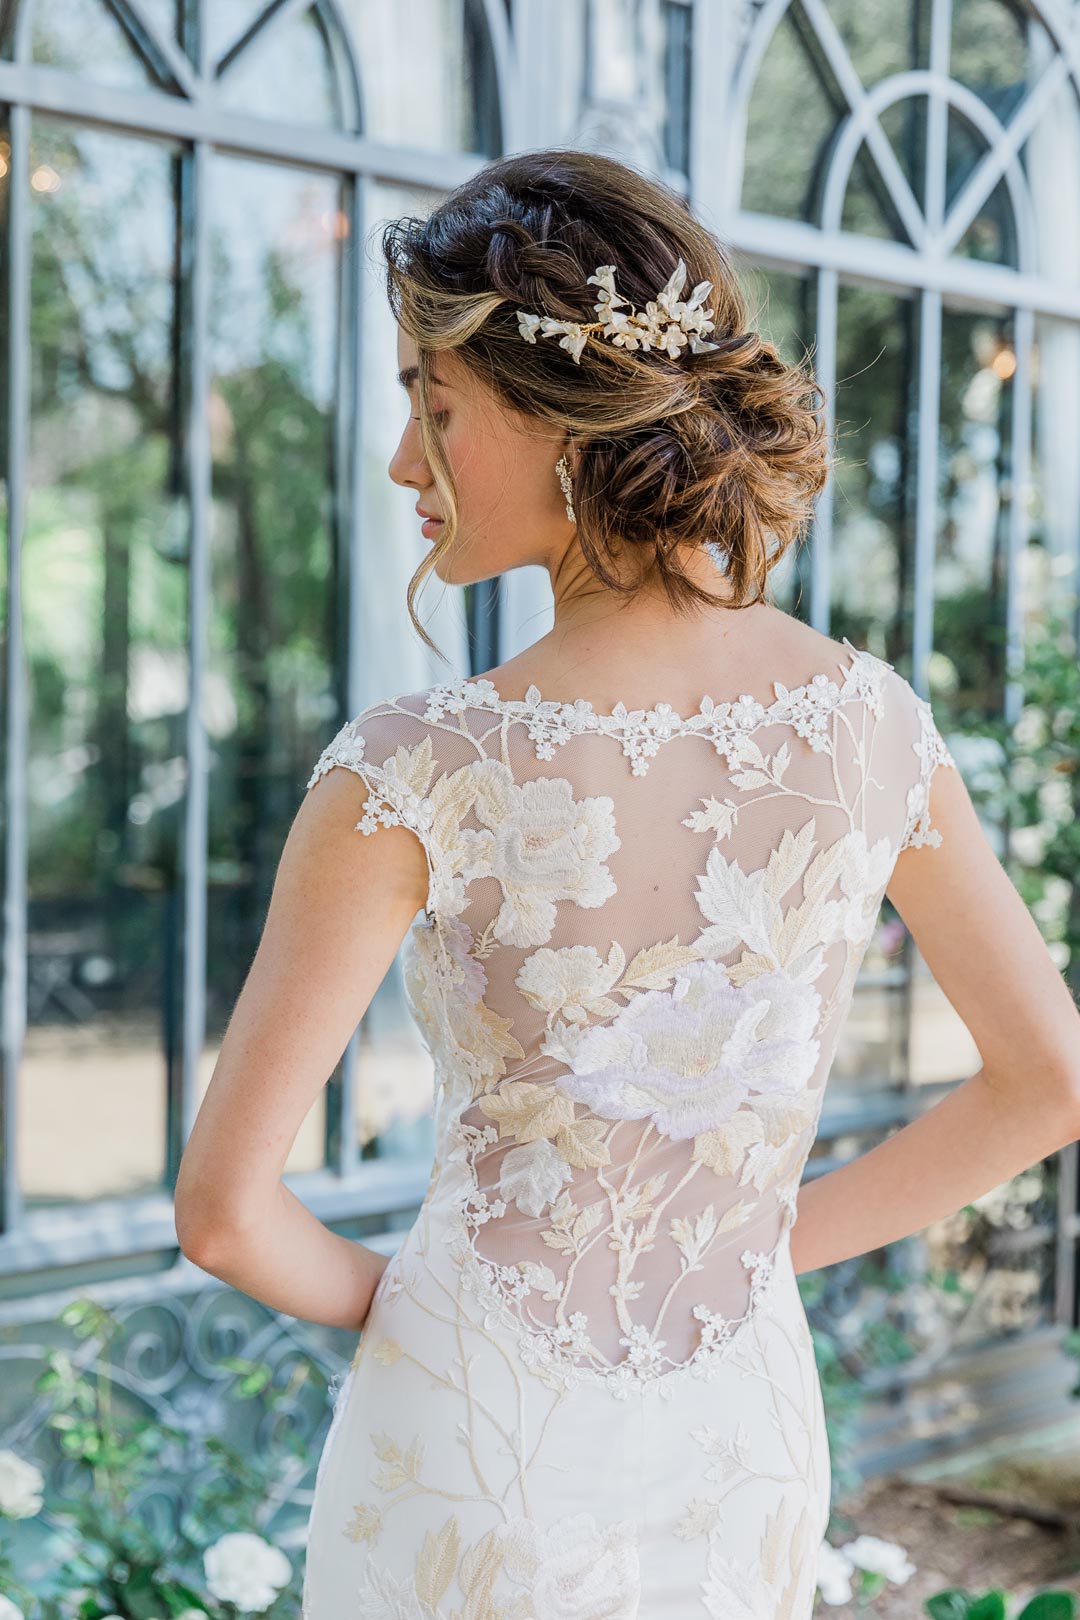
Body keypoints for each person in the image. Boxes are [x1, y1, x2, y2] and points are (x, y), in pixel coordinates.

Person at [174, 148, 1080, 1618]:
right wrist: (756, 1250)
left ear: (560, 419)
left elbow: (223, 1216)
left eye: (435, 402)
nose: (405, 459)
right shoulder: (872, 729)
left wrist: (441, 1315)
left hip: (473, 1440)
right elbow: (1050, 1081)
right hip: (740, 1427)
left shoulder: (414, 771)